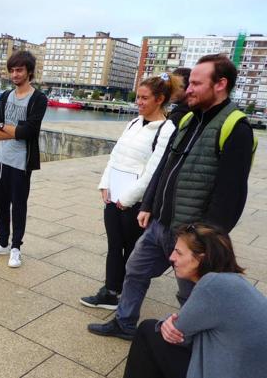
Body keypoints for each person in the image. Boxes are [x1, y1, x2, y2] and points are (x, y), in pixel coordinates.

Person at [88, 53, 255, 340]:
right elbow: (164, 168)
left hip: (191, 234)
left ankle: (191, 340)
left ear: (220, 84)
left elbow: (231, 197)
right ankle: (125, 323)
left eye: (196, 84)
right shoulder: (189, 120)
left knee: (191, 292)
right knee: (135, 269)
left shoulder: (235, 128)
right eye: (189, 83)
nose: (188, 89)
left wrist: (201, 241)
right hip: (160, 223)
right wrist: (150, 205)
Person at [79, 74, 178, 310]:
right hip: (114, 196)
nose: (139, 103)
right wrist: (105, 184)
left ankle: (121, 291)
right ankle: (111, 290)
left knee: (132, 249)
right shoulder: (133, 123)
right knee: (114, 246)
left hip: (135, 202)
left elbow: (153, 171)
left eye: (145, 98)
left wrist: (128, 199)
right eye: (138, 98)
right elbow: (116, 156)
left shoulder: (166, 129)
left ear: (160, 99)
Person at [123, 223, 267, 378]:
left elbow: (178, 334)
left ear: (201, 258)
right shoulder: (234, 281)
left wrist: (165, 322)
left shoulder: (212, 285)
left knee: (148, 330)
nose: (171, 257)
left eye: (178, 252)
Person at [0, 51, 48, 268]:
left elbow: (29, 131)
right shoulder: (5, 96)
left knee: (18, 205)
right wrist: (12, 130)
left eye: (19, 70)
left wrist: (4, 129)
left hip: (20, 162)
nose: (15, 74)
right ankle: (2, 242)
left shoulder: (38, 99)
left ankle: (16, 247)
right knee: (0, 203)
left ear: (29, 72)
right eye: (12, 70)